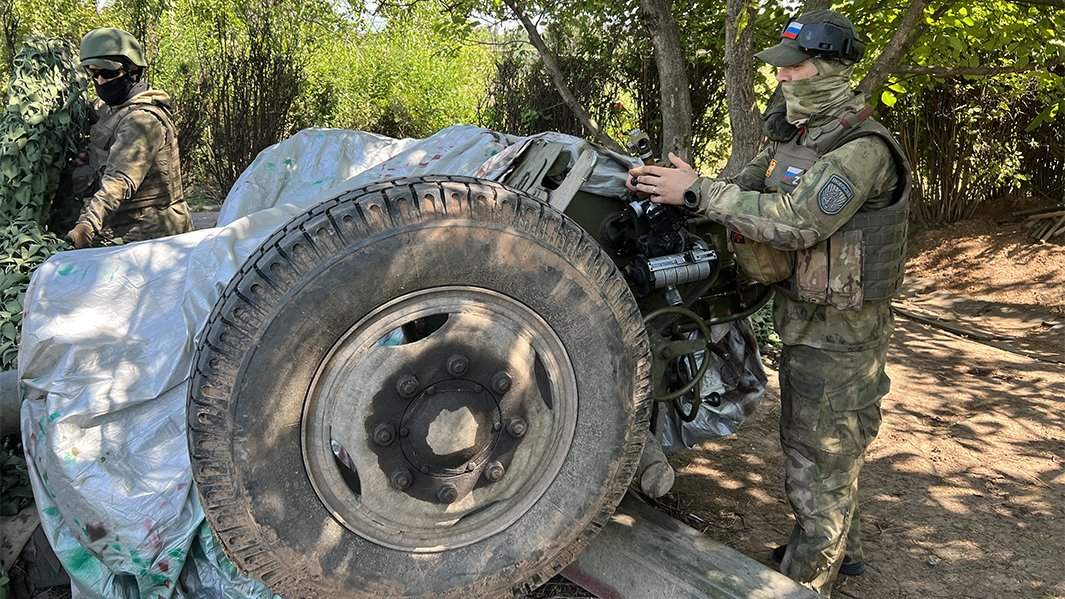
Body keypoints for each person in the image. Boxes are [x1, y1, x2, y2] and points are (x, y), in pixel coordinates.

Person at [626, 9, 911, 597]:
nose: (783, 79)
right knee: (826, 444)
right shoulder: (799, 137)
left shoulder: (863, 149)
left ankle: (807, 578)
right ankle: (841, 550)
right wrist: (687, 185)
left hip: (842, 331)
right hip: (808, 317)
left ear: (832, 69)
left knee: (820, 451)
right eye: (780, 69)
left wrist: (702, 192)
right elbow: (750, 185)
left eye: (796, 67)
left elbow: (797, 222)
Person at [66, 27, 191, 249]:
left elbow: (118, 182)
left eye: (108, 73)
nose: (101, 81)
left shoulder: (142, 120)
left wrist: (87, 226)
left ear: (132, 70)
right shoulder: (112, 110)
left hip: (152, 239)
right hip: (123, 232)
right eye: (94, 74)